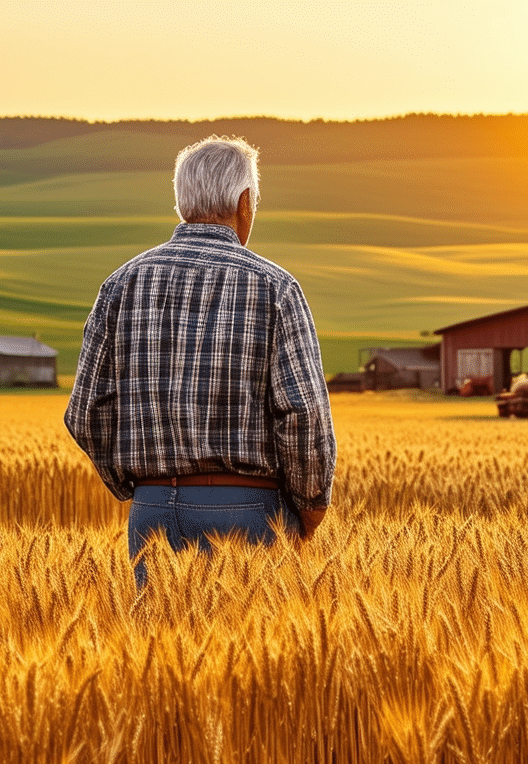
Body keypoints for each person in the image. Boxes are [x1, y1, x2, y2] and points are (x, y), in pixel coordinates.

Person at [64, 136, 336, 588]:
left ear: (181, 202)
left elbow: (86, 410)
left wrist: (139, 486)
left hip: (151, 512)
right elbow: (303, 412)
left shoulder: (120, 285)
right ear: (245, 202)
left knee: (159, 648)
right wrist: (310, 508)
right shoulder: (275, 288)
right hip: (248, 511)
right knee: (248, 654)